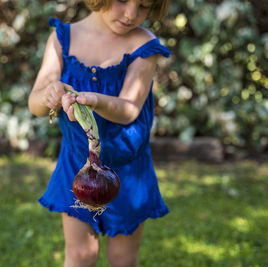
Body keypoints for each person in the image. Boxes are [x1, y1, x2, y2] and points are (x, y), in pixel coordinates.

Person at [28, 0, 170, 266]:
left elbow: (129, 109)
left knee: (123, 259)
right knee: (81, 255)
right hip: (77, 165)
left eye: (144, 6)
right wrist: (49, 95)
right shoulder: (63, 39)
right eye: (122, 1)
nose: (131, 14)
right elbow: (34, 103)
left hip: (127, 170)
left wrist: (96, 100)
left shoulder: (143, 45)